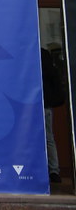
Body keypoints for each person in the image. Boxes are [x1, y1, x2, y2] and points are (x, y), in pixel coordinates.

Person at [41, 47, 66, 184]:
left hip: (37, 103)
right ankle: (54, 171)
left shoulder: (30, 53)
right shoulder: (44, 54)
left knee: (45, 137)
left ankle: (48, 169)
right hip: (46, 103)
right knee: (49, 137)